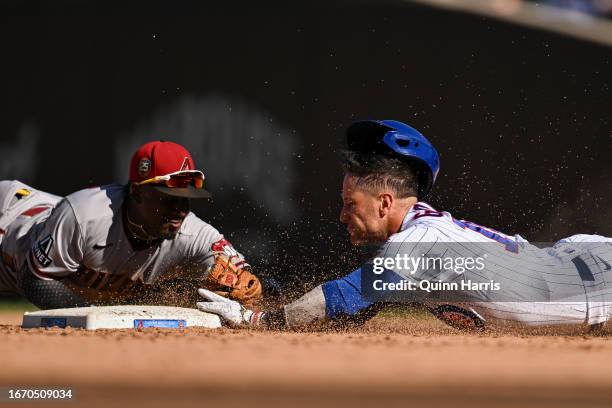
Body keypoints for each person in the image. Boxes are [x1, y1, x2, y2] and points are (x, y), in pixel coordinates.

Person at [197, 120, 612, 332]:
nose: (342, 215)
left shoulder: (419, 243)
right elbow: (352, 312)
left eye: (349, 203)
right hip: (576, 261)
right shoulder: (418, 243)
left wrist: (259, 321)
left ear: (385, 202)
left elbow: (343, 298)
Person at [0, 141, 263, 309]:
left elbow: (244, 279)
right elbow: (33, 278)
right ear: (137, 192)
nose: (181, 210)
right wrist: (90, 317)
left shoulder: (194, 235)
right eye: (170, 199)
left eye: (187, 200)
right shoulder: (85, 215)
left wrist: (252, 287)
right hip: (9, 219)